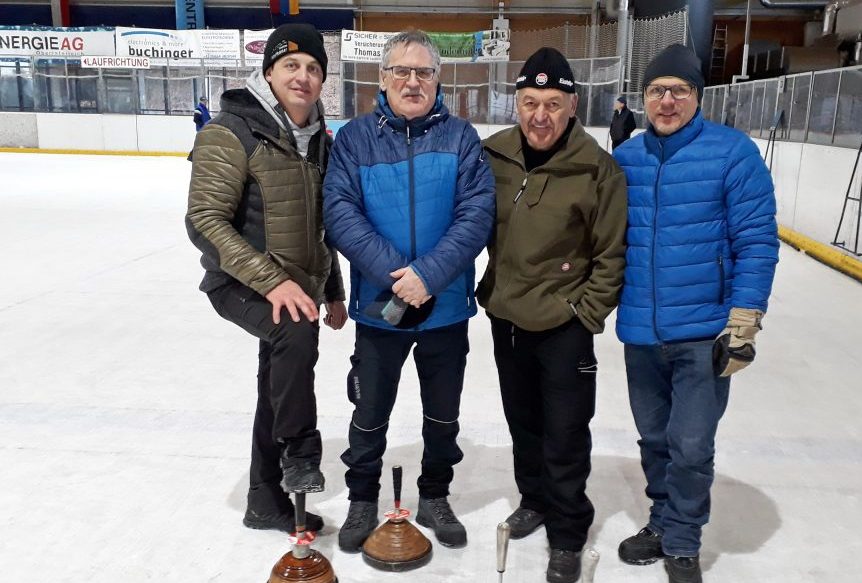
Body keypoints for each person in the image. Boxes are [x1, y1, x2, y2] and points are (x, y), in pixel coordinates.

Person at [322, 29, 495, 552]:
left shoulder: (462, 137)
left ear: (438, 79)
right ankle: (361, 500)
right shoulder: (353, 139)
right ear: (383, 78)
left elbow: (476, 214)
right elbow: (340, 213)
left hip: (444, 308)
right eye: (402, 71)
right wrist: (401, 275)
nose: (412, 81)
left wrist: (429, 277)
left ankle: (435, 495)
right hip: (381, 309)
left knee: (443, 413)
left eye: (423, 72)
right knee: (369, 412)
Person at [612, 44, 779, 583]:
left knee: (690, 443)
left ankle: (682, 539)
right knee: (654, 439)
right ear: (642, 98)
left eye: (679, 91)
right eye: (657, 90)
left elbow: (756, 241)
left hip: (704, 333)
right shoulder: (626, 160)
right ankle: (662, 520)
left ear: (697, 98)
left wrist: (744, 320)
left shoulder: (732, 153)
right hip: (640, 330)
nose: (667, 101)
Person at [185, 23, 347, 534]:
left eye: (314, 68)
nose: (303, 76)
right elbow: (204, 220)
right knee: (294, 332)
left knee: (276, 385)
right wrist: (272, 283)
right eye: (291, 65)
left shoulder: (321, 141)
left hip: (298, 282)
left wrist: (334, 291)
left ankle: (265, 500)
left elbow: (321, 227)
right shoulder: (230, 132)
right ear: (269, 71)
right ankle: (299, 451)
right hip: (237, 282)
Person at [478, 47, 627, 583]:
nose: (540, 115)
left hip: (563, 325)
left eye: (553, 103)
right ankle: (534, 500)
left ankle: (567, 531)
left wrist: (584, 314)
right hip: (506, 317)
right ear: (516, 103)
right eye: (529, 102)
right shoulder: (493, 155)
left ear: (572, 106)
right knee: (524, 422)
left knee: (565, 431)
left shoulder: (597, 169)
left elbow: (611, 255)